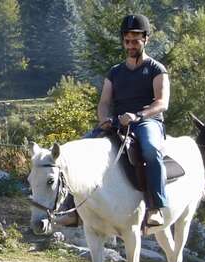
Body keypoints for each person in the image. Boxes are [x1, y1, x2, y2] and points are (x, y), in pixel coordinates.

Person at [56, 14, 169, 228]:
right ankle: (71, 208)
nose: (131, 45)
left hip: (148, 121)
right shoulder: (115, 72)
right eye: (127, 40)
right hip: (118, 122)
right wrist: (104, 119)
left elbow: (162, 103)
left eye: (135, 40)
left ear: (146, 39)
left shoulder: (156, 69)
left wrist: (138, 116)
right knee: (79, 148)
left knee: (151, 150)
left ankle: (156, 207)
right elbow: (104, 102)